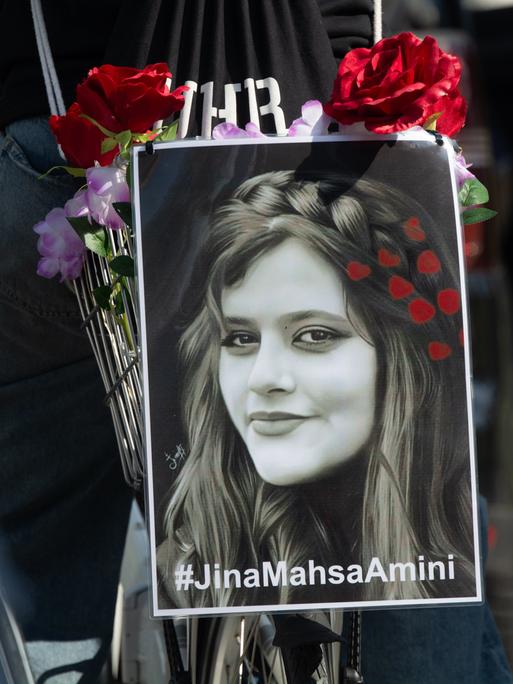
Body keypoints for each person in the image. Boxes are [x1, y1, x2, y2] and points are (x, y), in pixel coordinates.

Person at [157, 170, 476, 609]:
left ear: (403, 357)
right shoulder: (184, 575)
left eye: (314, 335)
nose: (263, 378)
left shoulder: (464, 557)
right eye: (240, 339)